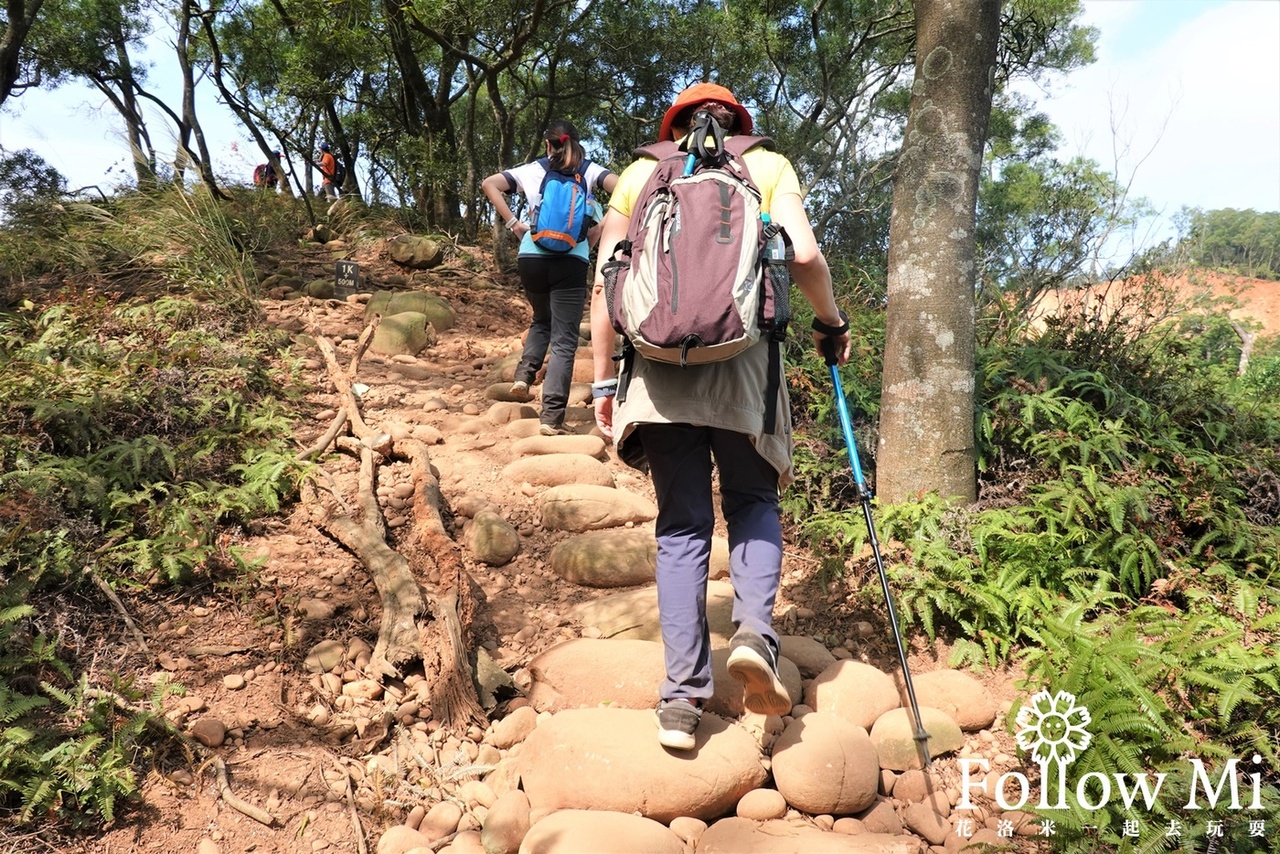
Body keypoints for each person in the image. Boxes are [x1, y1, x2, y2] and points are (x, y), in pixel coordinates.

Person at [589, 82, 852, 750]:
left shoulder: (642, 174)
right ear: (740, 123)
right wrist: (831, 322)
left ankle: (680, 704)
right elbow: (803, 254)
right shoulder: (765, 165)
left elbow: (607, 280)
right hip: (745, 366)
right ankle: (756, 635)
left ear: (672, 123)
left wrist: (600, 381)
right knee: (753, 499)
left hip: (656, 373)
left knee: (681, 529)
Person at [482, 121, 618, 435]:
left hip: (531, 255)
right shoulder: (589, 170)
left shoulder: (533, 169)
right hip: (571, 259)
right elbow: (628, 189)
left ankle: (523, 375)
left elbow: (489, 183)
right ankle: (551, 418)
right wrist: (600, 228)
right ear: (576, 143)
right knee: (564, 341)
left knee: (542, 318)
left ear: (547, 145)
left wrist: (515, 223)